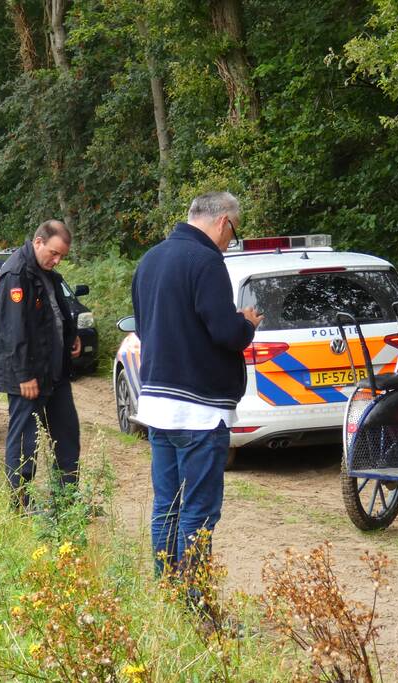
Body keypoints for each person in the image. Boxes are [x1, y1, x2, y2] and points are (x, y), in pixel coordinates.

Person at [131, 191, 263, 579]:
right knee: (198, 511)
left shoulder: (150, 259)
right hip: (200, 409)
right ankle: (194, 599)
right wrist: (246, 324)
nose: (230, 241)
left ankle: (167, 590)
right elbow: (226, 333)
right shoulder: (206, 261)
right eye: (234, 232)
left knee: (166, 506)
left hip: (156, 403)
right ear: (223, 222)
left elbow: (144, 328)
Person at [0, 220, 82, 509]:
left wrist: (71, 337)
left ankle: (67, 501)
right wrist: (24, 375)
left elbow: (54, 313)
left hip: (53, 370)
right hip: (27, 375)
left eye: (62, 256)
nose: (57, 260)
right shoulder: (16, 273)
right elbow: (13, 330)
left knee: (67, 433)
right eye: (54, 253)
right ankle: (20, 503)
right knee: (26, 438)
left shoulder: (46, 271)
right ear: (38, 242)